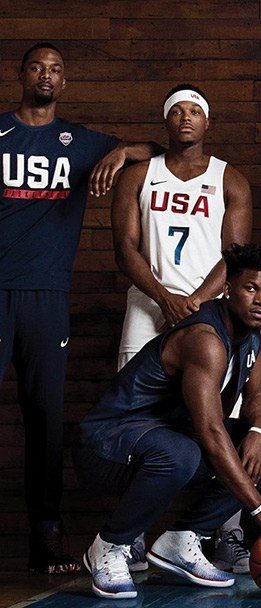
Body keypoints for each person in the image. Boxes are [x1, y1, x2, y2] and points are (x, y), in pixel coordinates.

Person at [0, 42, 161, 573]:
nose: (45, 76)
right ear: (20, 75)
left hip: (47, 298)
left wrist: (117, 153)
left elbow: (155, 149)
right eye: (37, 67)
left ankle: (46, 539)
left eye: (55, 70)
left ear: (64, 82)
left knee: (46, 420)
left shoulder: (78, 141)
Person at [76, 243, 261, 599]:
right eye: (251, 289)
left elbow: (258, 395)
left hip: (167, 440)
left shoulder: (254, 334)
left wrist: (259, 430)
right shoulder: (205, 339)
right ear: (228, 288)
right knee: (184, 452)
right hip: (105, 446)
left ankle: (184, 538)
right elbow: (210, 431)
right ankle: (109, 545)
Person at [110, 84, 254, 574]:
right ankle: (129, 537)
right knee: (137, 421)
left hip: (209, 311)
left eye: (196, 112)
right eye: (177, 112)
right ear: (166, 122)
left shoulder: (228, 179)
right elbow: (125, 249)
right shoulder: (138, 176)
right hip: (149, 305)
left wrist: (194, 302)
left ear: (207, 123)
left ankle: (226, 531)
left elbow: (233, 257)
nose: (187, 119)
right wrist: (163, 296)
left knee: (224, 420)